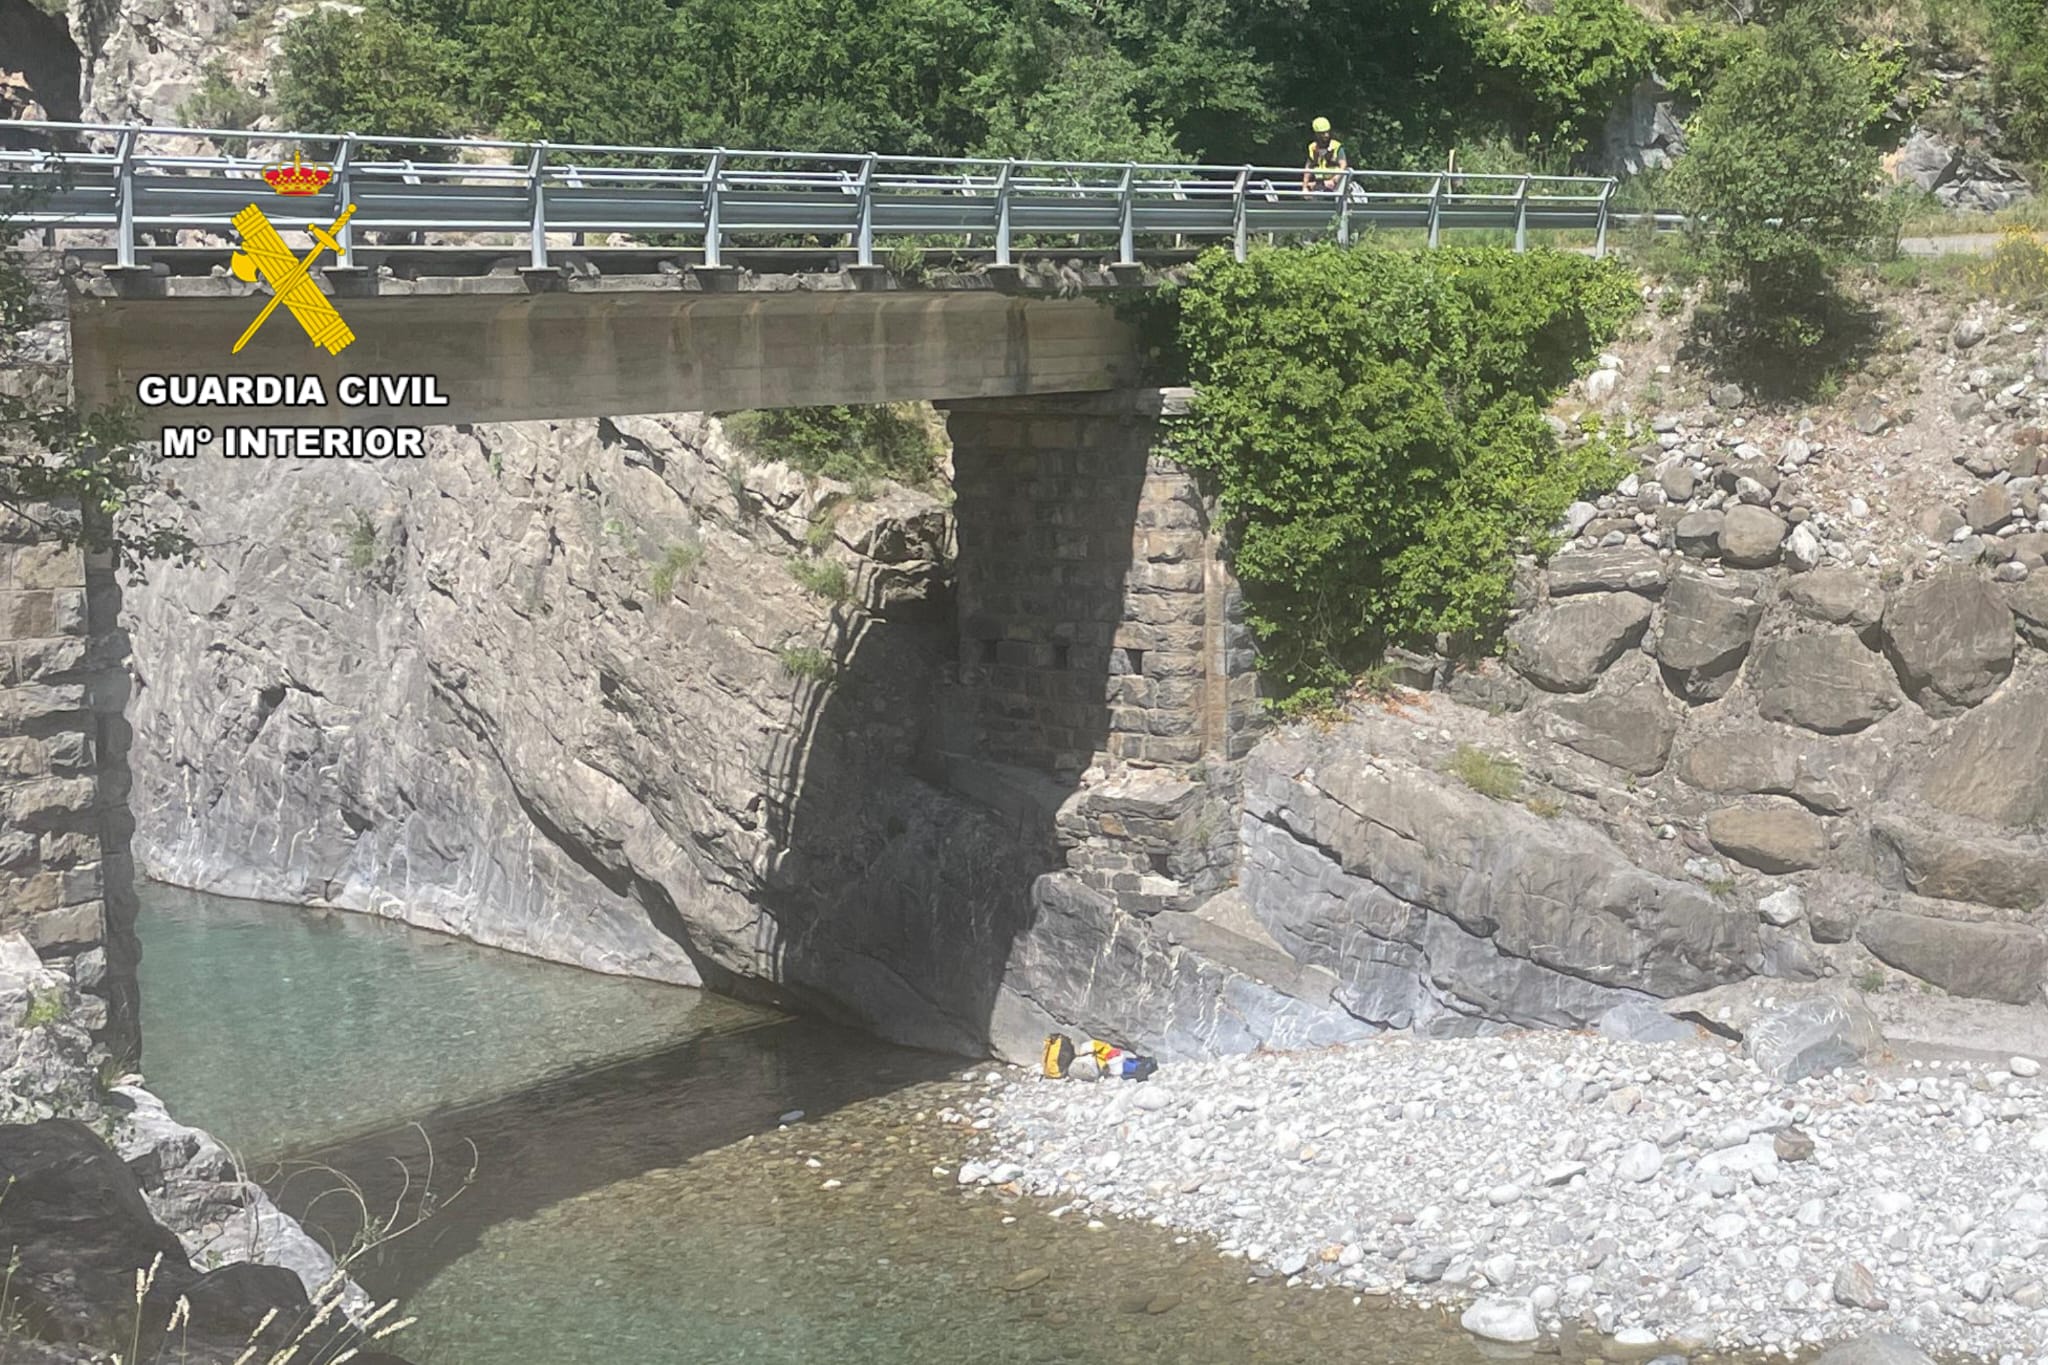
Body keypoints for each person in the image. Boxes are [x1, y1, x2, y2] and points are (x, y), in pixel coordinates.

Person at [1302, 117, 1348, 192]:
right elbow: (1308, 168)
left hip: (1336, 183)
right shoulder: (1312, 147)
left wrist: (1335, 179)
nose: (1326, 135)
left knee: (1338, 198)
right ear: (1316, 134)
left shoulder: (1336, 146)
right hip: (1319, 183)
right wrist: (1304, 187)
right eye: (1322, 133)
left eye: (1327, 132)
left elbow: (1343, 165)